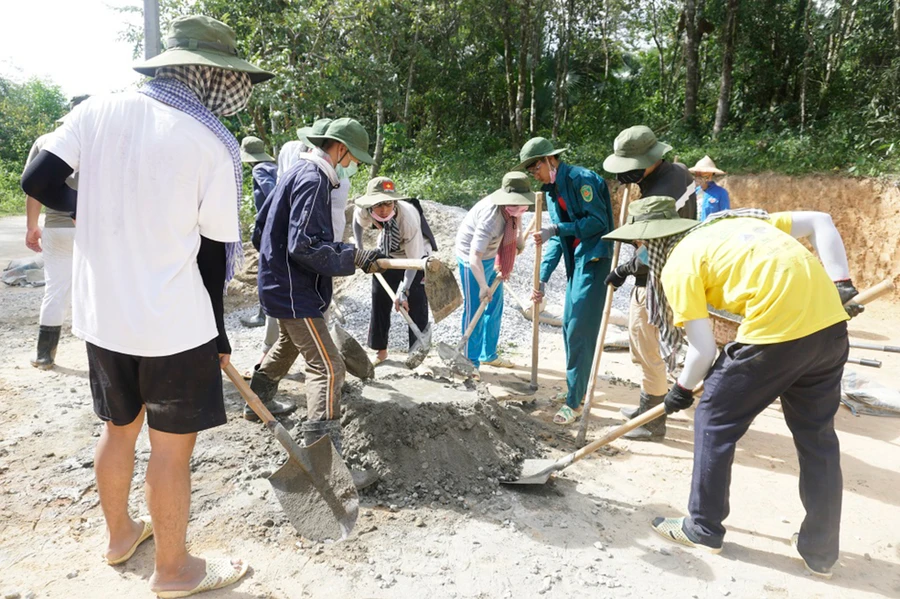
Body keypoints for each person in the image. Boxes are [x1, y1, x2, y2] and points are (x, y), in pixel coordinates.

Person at [21, 15, 272, 597]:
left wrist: (97, 209)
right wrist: (217, 335)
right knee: (170, 450)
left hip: (104, 316)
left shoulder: (96, 110)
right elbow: (214, 255)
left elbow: (39, 177)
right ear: (212, 76)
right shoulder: (211, 142)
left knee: (117, 430)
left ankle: (118, 537)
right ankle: (173, 570)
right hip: (172, 325)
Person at [602, 196, 863, 579]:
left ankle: (703, 528)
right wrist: (841, 282)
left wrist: (680, 391)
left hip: (777, 336)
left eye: (636, 248)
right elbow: (820, 219)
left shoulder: (678, 267)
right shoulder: (736, 224)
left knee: (712, 418)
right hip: (830, 329)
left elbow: (702, 350)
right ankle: (820, 551)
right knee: (817, 437)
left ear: (645, 244)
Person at [252, 117, 385, 450]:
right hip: (294, 289)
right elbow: (304, 245)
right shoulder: (313, 180)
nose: (352, 167)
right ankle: (324, 456)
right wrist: (351, 254)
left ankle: (257, 404)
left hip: (280, 281)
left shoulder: (296, 172)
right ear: (340, 150)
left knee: (288, 344)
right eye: (353, 160)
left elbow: (260, 226)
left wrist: (273, 265)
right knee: (327, 366)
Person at [601, 125, 696, 436]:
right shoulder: (680, 172)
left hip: (653, 281)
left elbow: (649, 250)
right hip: (672, 270)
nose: (627, 175)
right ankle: (647, 405)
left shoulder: (659, 195)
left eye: (632, 168)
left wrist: (623, 270)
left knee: (645, 346)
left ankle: (653, 421)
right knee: (642, 345)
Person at [518, 137, 614, 425]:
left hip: (595, 260)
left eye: (535, 168)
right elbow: (557, 241)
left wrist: (558, 228)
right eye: (530, 171)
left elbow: (597, 222)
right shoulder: (551, 191)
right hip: (577, 262)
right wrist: (542, 279)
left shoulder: (582, 179)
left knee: (579, 331)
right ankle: (576, 389)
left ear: (550, 160)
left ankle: (574, 404)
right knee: (569, 326)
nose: (534, 175)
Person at [22, 95, 88, 369]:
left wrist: (31, 227)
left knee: (56, 289)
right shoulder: (100, 142)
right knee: (95, 288)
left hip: (57, 228)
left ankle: (44, 355)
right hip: (91, 226)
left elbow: (33, 188)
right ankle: (103, 356)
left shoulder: (46, 140)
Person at [454, 171, 533, 373]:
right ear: (506, 200)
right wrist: (482, 285)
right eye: (517, 205)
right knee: (476, 311)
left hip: (492, 256)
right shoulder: (491, 218)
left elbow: (516, 222)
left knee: (496, 304)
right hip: (471, 260)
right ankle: (470, 363)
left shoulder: (513, 211)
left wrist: (520, 242)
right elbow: (474, 257)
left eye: (523, 205)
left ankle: (488, 354)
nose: (521, 209)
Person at [353, 177, 436, 364]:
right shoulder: (365, 210)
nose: (384, 210)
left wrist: (404, 289)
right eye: (379, 205)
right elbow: (357, 222)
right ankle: (380, 351)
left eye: (388, 204)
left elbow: (413, 261)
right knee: (380, 300)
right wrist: (359, 248)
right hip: (387, 252)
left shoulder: (408, 218)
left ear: (395, 202)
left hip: (415, 256)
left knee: (416, 301)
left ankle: (416, 356)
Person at [603, 241, 669, 440]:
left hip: (652, 288)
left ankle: (652, 425)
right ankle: (645, 411)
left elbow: (653, 255)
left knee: (649, 356)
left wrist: (623, 269)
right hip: (645, 286)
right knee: (641, 354)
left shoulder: (666, 213)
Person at [603, 125, 696, 220]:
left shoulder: (652, 204)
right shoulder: (682, 170)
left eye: (631, 167)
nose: (625, 171)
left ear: (652, 157)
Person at [239, 136, 277, 329]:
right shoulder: (274, 167)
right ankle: (268, 313)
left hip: (267, 225)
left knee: (264, 270)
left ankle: (263, 315)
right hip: (276, 225)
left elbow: (271, 192)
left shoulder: (259, 169)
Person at [689, 155, 730, 220]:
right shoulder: (695, 192)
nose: (698, 177)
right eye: (697, 174)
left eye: (702, 174)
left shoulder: (721, 193)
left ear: (711, 175)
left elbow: (725, 215)